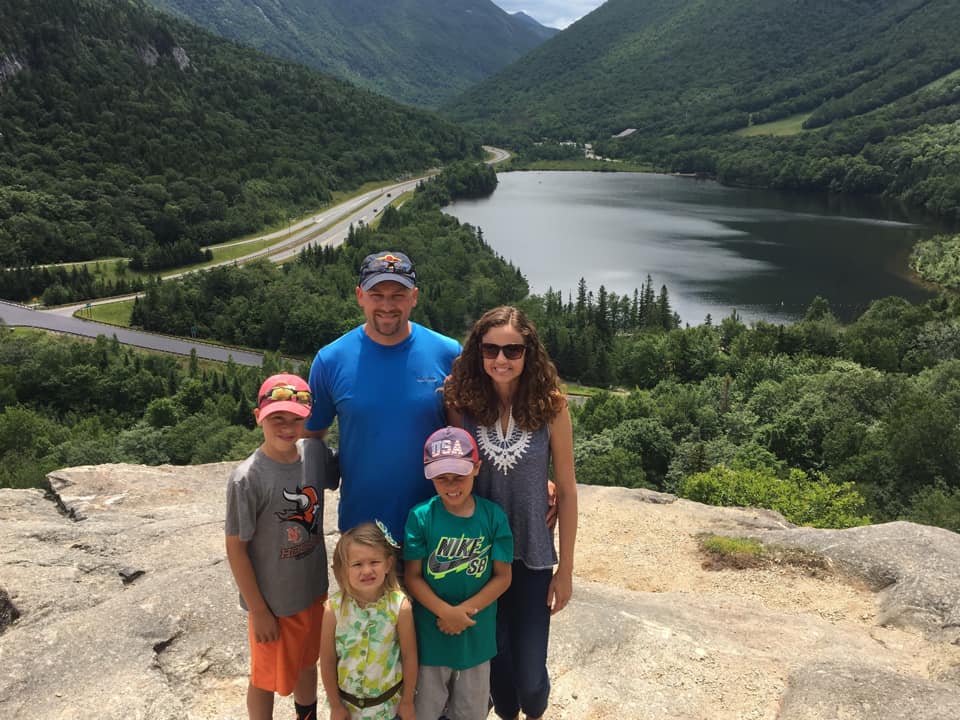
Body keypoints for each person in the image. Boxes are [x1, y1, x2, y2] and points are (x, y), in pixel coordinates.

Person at [444, 306, 578, 720]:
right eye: (491, 349)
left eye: (513, 350)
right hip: (480, 558)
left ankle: (535, 709)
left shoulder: (551, 405)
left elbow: (568, 490)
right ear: (478, 352)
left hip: (534, 556)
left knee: (531, 676)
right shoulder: (462, 404)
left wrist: (566, 570)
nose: (501, 359)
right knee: (499, 669)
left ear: (528, 353)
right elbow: (452, 473)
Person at [305, 250, 461, 545]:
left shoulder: (449, 353)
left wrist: (533, 479)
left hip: (437, 527)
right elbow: (310, 438)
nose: (387, 305)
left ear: (414, 297)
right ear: (359, 296)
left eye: (398, 295)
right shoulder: (330, 361)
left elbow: (474, 433)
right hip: (363, 535)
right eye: (377, 294)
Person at [225, 373, 336, 720]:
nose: (287, 428)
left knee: (308, 661)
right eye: (277, 419)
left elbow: (347, 468)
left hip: (313, 590)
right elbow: (236, 549)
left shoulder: (314, 453)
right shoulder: (248, 478)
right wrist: (258, 611)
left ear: (307, 418)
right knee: (265, 678)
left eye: (295, 419)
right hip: (275, 603)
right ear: (259, 417)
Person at [404, 426, 514, 720]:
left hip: (475, 639)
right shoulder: (421, 517)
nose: (451, 484)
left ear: (477, 468)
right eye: (442, 477)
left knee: (470, 712)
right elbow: (412, 575)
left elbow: (503, 576)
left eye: (459, 475)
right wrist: (445, 612)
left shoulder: (493, 517)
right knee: (425, 710)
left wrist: (462, 611)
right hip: (430, 639)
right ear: (429, 474)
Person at [319, 523, 418, 720]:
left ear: (388, 564)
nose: (367, 570)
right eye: (357, 564)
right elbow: (328, 660)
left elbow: (409, 657)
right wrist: (335, 706)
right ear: (343, 569)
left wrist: (407, 701)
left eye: (374, 562)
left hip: (388, 709)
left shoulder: (400, 607)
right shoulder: (333, 609)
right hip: (348, 709)